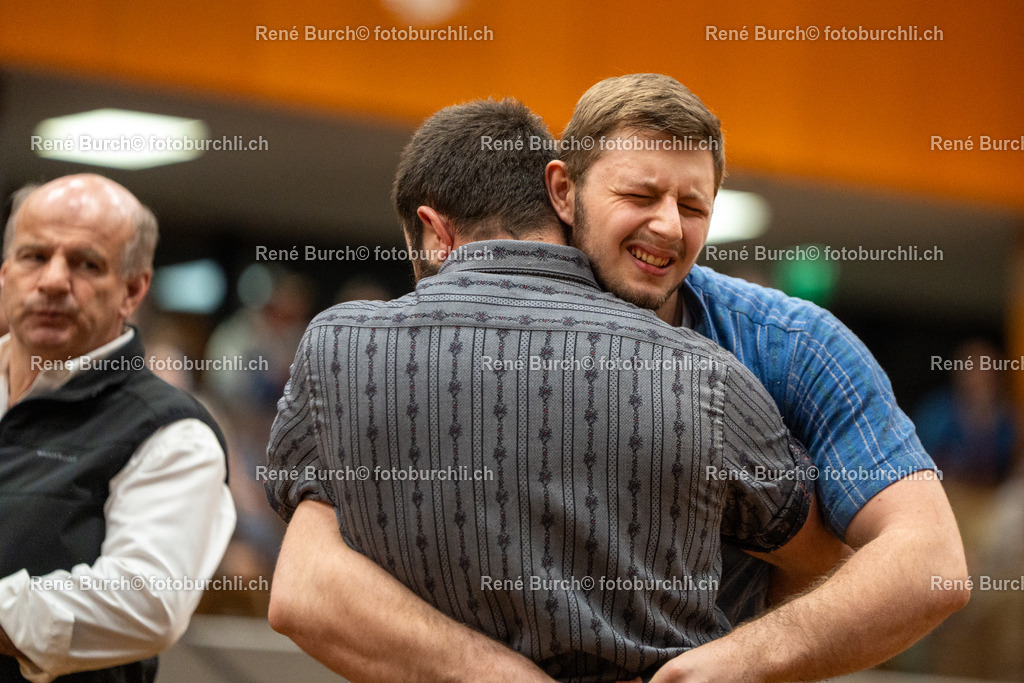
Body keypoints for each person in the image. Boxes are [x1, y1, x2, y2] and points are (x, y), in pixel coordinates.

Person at [266, 99, 850, 681]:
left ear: (434, 232)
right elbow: (824, 561)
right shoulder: (708, 375)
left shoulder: (340, 349)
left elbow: (302, 582)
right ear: (561, 203)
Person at [542, 73, 970, 678]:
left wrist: (738, 661)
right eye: (640, 197)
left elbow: (933, 561)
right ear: (564, 190)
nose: (669, 227)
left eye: (693, 207)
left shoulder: (793, 345)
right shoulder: (487, 335)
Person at [0, 174, 236, 682]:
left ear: (133, 289)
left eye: (87, 264)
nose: (53, 281)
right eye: (34, 257)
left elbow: (143, 603)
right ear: (5, 273)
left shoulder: (172, 433)